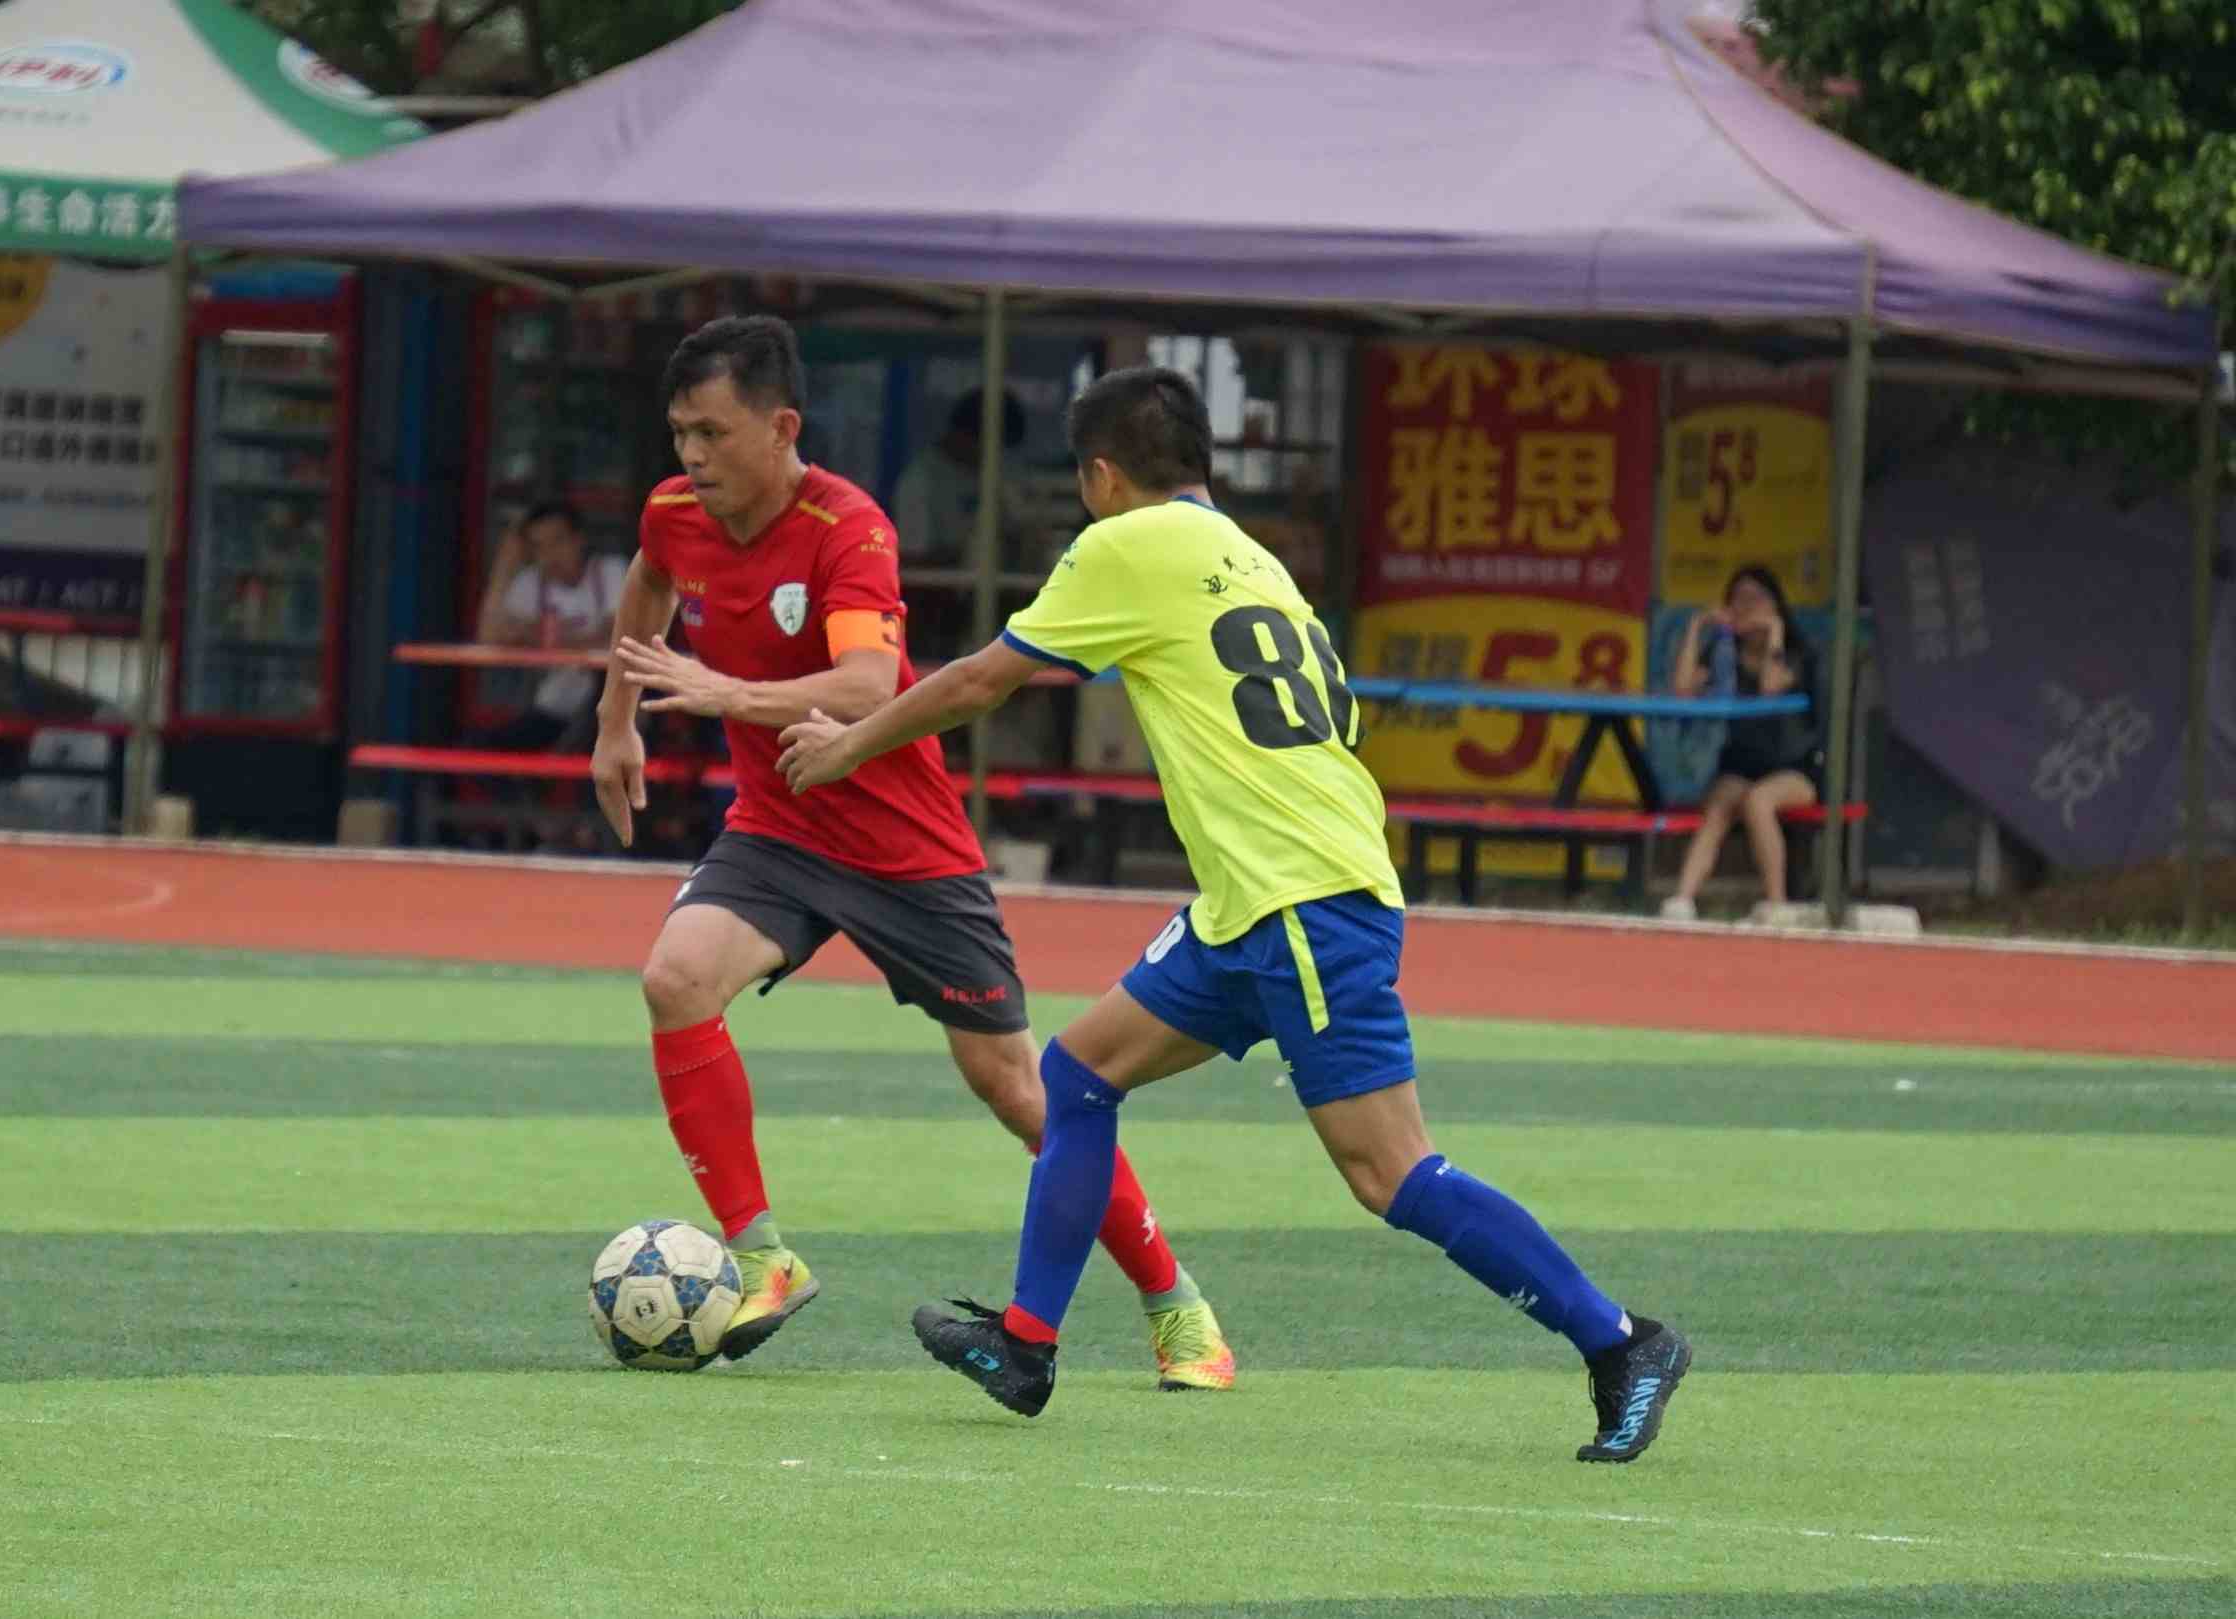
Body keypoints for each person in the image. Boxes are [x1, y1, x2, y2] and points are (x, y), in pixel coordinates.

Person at [778, 366, 1690, 1462]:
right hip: (1254, 902)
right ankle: (1024, 1345)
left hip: (1302, 901)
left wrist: (847, 746)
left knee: (1389, 1171)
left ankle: (1621, 1341)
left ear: (1101, 476)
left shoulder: (1127, 543)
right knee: (1077, 1073)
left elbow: (982, 680)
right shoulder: (1253, 559)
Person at [593, 317, 1236, 1387]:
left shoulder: (849, 528)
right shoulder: (675, 511)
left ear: (781, 427)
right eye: (680, 433)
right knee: (675, 978)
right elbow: (651, 581)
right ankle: (761, 1255)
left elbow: (863, 687)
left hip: (905, 846)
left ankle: (1178, 1306)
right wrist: (618, 719)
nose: (692, 456)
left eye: (712, 432)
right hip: (780, 824)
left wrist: (725, 693)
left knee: (1017, 1089)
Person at [1659, 566, 1823, 922]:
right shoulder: (1724, 652)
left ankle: (1777, 905)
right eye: (1738, 599)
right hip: (1742, 765)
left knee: (1758, 801)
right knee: (1719, 804)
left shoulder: (1797, 653)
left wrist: (1774, 630)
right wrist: (1697, 627)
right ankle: (1682, 899)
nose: (1746, 607)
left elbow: (1770, 688)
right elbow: (1683, 690)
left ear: (1774, 603)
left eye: (1756, 599)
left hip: (1795, 769)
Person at [476, 500, 626, 752]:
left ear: (579, 539)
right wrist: (504, 567)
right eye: (538, 546)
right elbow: (488, 636)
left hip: (612, 708)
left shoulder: (610, 571)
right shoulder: (530, 582)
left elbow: (619, 637)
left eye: (558, 542)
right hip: (555, 707)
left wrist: (533, 634)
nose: (549, 554)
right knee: (483, 748)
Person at [891, 388, 1028, 566]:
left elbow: (1015, 527)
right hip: (945, 582)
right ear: (964, 437)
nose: (994, 456)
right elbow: (912, 561)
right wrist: (965, 554)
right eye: (991, 447)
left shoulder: (991, 476)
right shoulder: (920, 481)